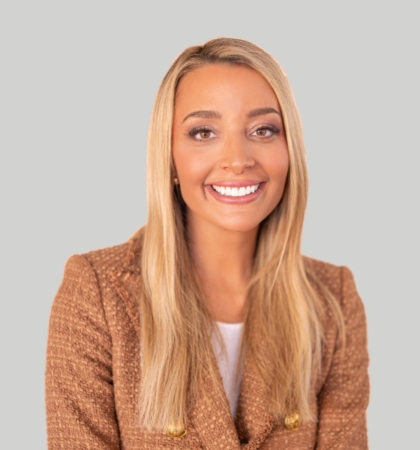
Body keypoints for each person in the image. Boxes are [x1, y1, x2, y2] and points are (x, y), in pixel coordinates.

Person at [45, 37, 369, 449]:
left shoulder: (333, 301)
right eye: (203, 132)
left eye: (263, 129)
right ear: (171, 157)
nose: (237, 158)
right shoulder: (96, 294)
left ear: (290, 150)